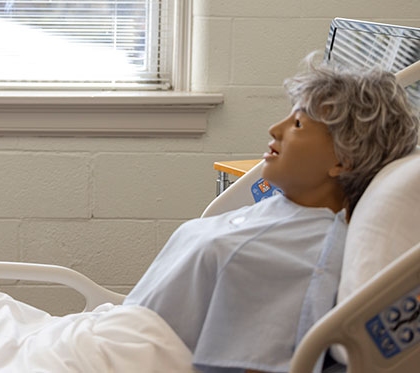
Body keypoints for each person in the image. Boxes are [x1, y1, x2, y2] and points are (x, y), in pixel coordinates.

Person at [124, 57, 419, 373]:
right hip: (119, 338)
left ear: (344, 160)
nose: (274, 129)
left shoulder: (309, 254)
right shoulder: (278, 213)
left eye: (297, 124)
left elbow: (260, 361)